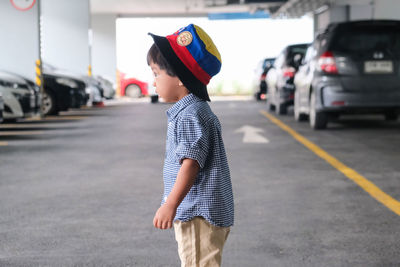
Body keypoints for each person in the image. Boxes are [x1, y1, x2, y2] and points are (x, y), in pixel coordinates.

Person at [147, 24, 234, 267]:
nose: (153, 82)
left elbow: (190, 164)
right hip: (202, 211)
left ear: (180, 79)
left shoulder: (189, 115)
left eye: (156, 74)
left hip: (197, 212)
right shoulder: (195, 110)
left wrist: (170, 204)